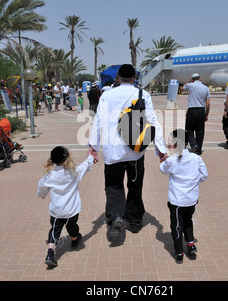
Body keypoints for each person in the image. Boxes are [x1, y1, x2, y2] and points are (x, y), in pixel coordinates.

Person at [88, 64, 167, 241]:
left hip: (112, 152)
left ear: (117, 78)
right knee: (135, 186)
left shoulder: (106, 95)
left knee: (114, 186)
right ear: (134, 78)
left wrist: (93, 148)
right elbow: (153, 122)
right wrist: (161, 149)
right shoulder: (143, 94)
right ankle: (134, 221)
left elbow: (98, 122)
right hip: (135, 151)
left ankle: (116, 216)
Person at [37, 146, 95, 267]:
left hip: (56, 211)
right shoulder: (73, 173)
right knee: (72, 227)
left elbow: (41, 188)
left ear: (52, 160)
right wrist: (91, 156)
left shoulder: (49, 176)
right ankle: (74, 241)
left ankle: (50, 253)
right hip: (71, 210)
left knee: (54, 230)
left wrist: (42, 195)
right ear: (67, 159)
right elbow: (85, 166)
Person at [159, 129, 208, 264]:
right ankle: (191, 244)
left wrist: (163, 159)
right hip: (191, 200)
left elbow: (163, 169)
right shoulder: (196, 158)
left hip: (177, 201)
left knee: (176, 226)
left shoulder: (173, 160)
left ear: (175, 145)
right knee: (188, 221)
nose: (169, 146)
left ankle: (179, 252)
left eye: (170, 144)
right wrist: (193, 182)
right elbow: (204, 175)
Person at [181, 73, 211, 155]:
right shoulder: (206, 88)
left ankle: (194, 145)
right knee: (200, 131)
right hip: (201, 110)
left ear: (192, 79)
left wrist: (188, 81)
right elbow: (208, 103)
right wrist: (206, 114)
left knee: (189, 129)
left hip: (192, 110)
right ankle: (199, 149)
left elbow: (182, 89)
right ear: (200, 79)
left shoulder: (190, 85)